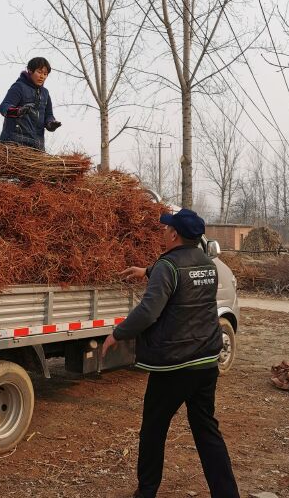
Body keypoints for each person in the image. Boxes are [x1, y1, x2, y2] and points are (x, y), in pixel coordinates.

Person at [102, 208, 239, 498]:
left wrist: (118, 333)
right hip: (205, 362)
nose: (164, 232)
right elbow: (184, 277)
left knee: (153, 429)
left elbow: (148, 312)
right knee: (206, 431)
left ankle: (147, 491)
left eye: (166, 229)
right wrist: (148, 271)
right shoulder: (207, 264)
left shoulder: (168, 266)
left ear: (174, 234)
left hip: (175, 366)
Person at [0, 57, 61, 151]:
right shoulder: (19, 87)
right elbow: (4, 106)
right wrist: (18, 111)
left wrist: (50, 123)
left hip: (37, 146)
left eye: (45, 74)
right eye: (39, 72)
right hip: (15, 143)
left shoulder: (45, 93)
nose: (42, 76)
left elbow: (49, 115)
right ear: (30, 71)